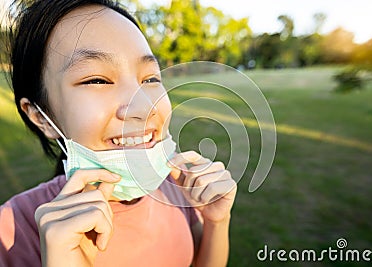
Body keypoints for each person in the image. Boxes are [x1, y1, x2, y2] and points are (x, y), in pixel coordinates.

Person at [0, 0, 237, 266]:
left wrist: (217, 221)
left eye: (149, 79)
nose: (143, 107)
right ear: (40, 116)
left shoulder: (175, 188)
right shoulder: (10, 232)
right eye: (97, 80)